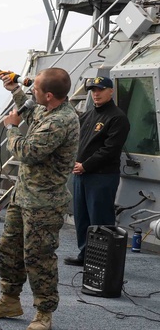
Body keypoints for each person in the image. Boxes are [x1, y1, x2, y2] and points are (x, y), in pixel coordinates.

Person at [0, 68, 79, 330]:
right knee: (8, 250)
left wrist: (11, 127)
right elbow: (32, 111)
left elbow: (28, 151)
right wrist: (15, 91)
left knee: (39, 257)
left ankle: (44, 312)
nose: (31, 91)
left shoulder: (61, 121)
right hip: (23, 197)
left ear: (48, 95)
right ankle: (9, 301)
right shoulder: (47, 110)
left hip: (45, 203)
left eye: (34, 89)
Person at [64, 76, 130, 266]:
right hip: (81, 174)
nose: (96, 93)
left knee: (100, 219)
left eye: (100, 90)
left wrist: (86, 165)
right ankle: (85, 255)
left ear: (111, 91)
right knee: (82, 217)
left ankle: (102, 260)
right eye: (93, 90)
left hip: (102, 176)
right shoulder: (88, 115)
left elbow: (110, 150)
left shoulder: (117, 118)